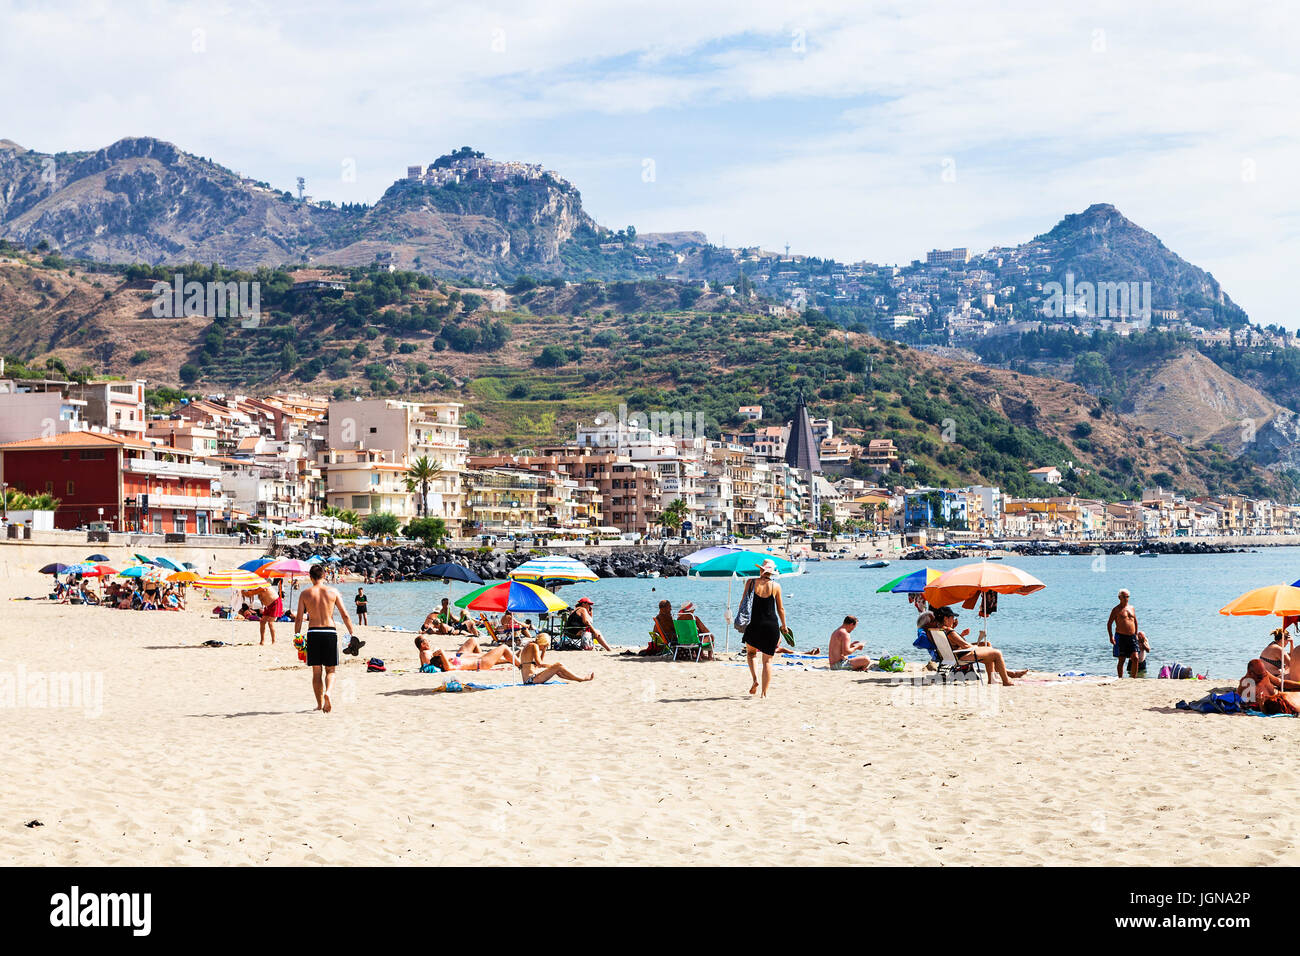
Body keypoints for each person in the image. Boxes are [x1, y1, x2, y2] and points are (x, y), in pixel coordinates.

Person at [294, 563, 361, 713]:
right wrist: (351, 632)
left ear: (310, 577)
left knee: (316, 672)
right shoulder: (333, 591)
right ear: (324, 575)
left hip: (313, 633)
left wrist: (297, 636)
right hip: (330, 632)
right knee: (331, 670)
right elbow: (344, 614)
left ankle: (319, 705)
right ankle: (328, 693)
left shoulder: (305, 594)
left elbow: (299, 618)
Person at [933, 607, 1026, 686]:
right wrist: (979, 647)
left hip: (954, 655)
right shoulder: (950, 631)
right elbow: (965, 645)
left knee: (987, 645)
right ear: (945, 618)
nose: (954, 620)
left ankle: (992, 679)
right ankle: (1006, 681)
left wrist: (979, 645)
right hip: (961, 656)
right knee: (996, 653)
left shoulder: (939, 630)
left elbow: (954, 644)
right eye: (952, 617)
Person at [741, 559, 791, 698]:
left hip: (754, 624)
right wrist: (784, 626)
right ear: (771, 572)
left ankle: (755, 679)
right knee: (768, 661)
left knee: (751, 654)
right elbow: (780, 608)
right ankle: (764, 693)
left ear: (761, 570)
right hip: (771, 626)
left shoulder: (751, 582)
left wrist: (741, 620)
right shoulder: (776, 586)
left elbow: (743, 603)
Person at [414, 634, 519, 672]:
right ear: (422, 644)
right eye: (426, 640)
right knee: (502, 648)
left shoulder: (448, 664)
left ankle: (513, 659)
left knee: (476, 647)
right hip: (480, 663)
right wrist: (440, 654)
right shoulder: (425, 653)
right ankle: (519, 663)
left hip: (476, 662)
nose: (429, 641)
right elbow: (430, 664)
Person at [519, 635, 594, 684]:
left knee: (557, 669)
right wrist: (553, 666)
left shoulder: (529, 645)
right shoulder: (534, 646)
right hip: (531, 680)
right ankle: (581, 679)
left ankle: (577, 679)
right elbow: (539, 664)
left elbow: (539, 664)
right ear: (542, 642)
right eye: (545, 646)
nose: (545, 648)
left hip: (530, 679)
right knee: (559, 665)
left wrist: (544, 651)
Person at [1107, 589, 1140, 678]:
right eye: (1124, 597)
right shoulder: (1116, 609)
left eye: (1127, 597)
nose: (1126, 599)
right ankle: (1120, 678)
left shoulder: (1131, 608)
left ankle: (1133, 678)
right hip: (1121, 636)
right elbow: (1109, 623)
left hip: (1132, 637)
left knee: (1135, 658)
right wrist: (1111, 637)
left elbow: (1135, 621)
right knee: (1122, 659)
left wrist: (1136, 634)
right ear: (1119, 597)